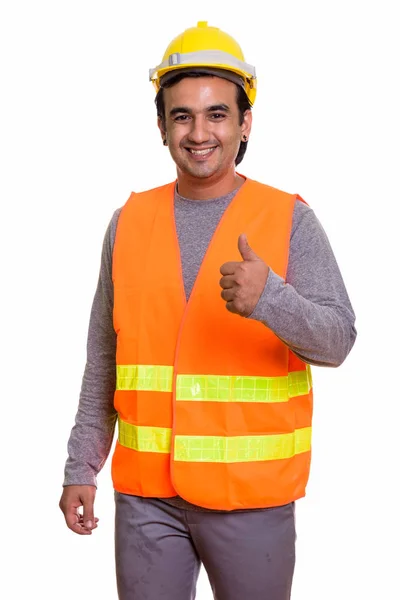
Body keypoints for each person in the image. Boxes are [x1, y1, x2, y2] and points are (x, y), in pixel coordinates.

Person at [59, 20, 357, 600]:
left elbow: (339, 340)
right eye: (182, 115)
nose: (200, 132)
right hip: (147, 500)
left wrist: (271, 299)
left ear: (245, 123)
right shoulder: (129, 222)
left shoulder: (288, 218)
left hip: (250, 500)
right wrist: (80, 465)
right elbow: (104, 356)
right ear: (162, 126)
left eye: (217, 114)